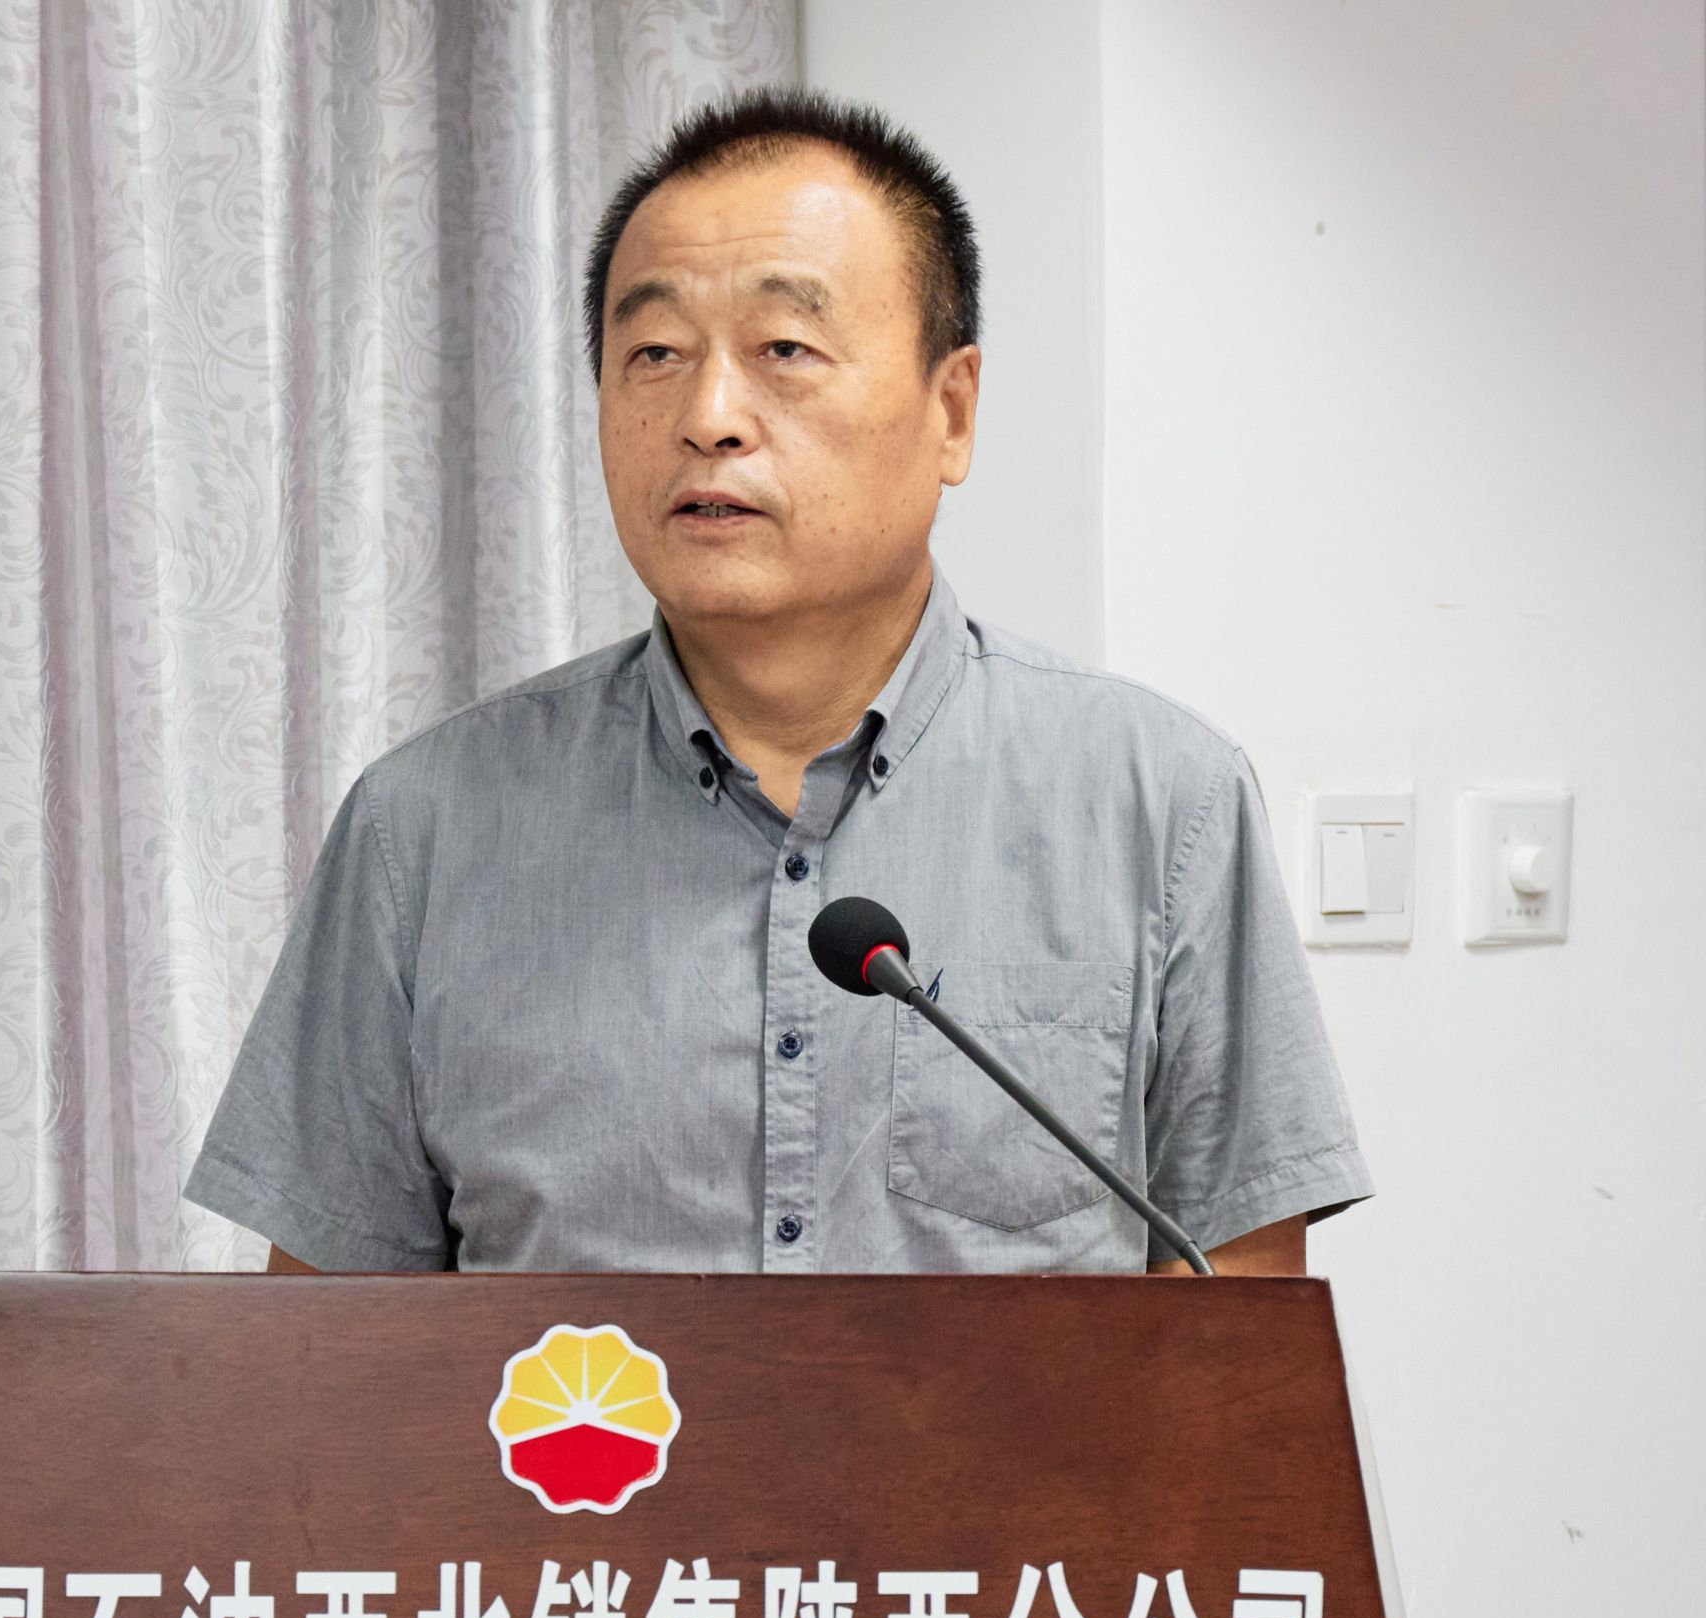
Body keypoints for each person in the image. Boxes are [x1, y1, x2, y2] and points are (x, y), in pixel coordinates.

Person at [182, 85, 1373, 1279]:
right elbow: (324, 1359)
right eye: (653, 353)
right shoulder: (421, 833)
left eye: (784, 350)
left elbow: (1235, 1339)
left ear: (951, 411)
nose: (707, 417)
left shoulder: (1160, 806)